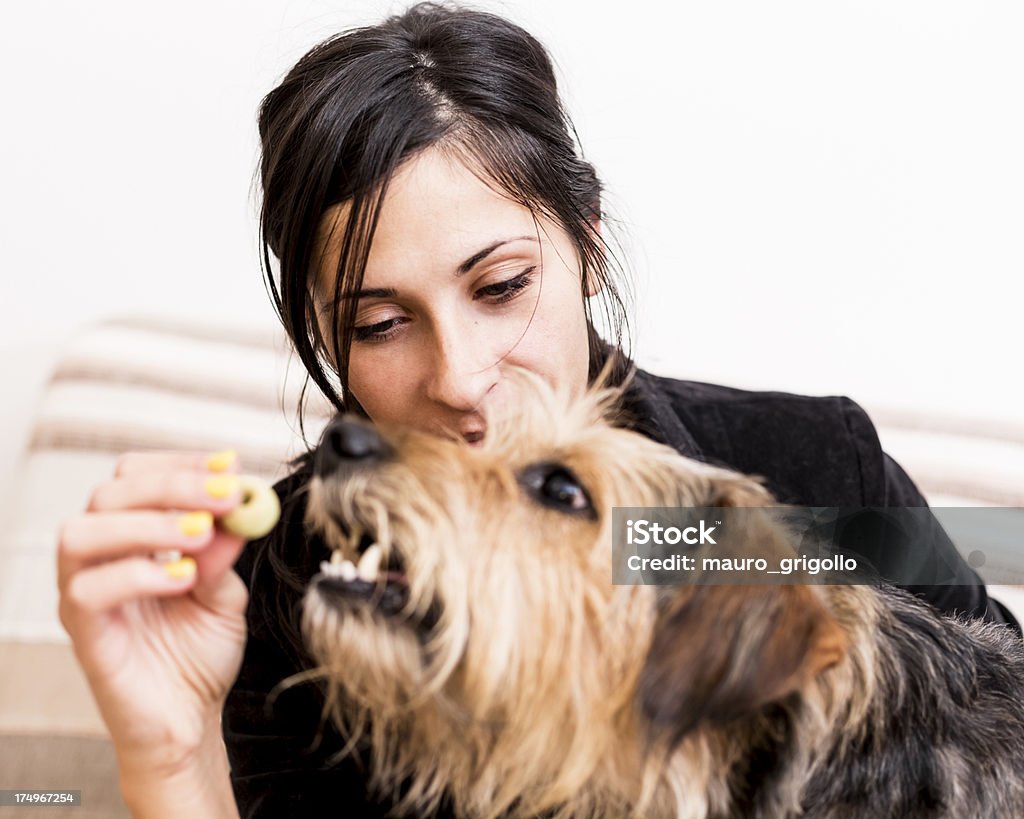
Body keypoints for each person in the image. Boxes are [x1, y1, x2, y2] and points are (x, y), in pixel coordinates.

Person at [57, 3, 1020, 818]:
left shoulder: (817, 466)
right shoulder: (300, 586)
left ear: (586, 249)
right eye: (382, 323)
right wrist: (170, 756)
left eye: (503, 284)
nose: (463, 379)